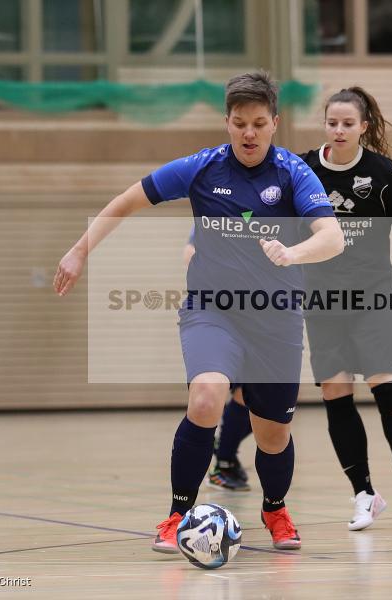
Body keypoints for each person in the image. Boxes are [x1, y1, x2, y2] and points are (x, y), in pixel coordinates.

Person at [54, 71, 344, 552]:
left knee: (272, 434)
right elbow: (127, 201)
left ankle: (275, 509)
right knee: (207, 398)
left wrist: (293, 255)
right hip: (213, 311)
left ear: (275, 122)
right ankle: (177, 514)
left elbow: (331, 237)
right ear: (227, 123)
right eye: (238, 123)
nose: (248, 133)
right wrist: (80, 250)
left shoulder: (293, 173)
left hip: (277, 319)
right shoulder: (202, 168)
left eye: (258, 123)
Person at [299, 87, 392, 531]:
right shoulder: (301, 169)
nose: (339, 130)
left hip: (373, 297)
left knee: (388, 389)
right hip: (321, 300)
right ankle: (363, 494)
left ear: (363, 127)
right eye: (332, 122)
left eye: (347, 123)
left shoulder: (382, 172)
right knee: (335, 397)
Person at [184, 227, 253, 492]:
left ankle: (225, 449)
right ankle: (223, 460)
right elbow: (190, 251)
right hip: (222, 317)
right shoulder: (218, 214)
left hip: (262, 316)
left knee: (268, 398)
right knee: (225, 392)